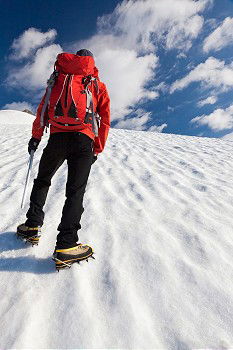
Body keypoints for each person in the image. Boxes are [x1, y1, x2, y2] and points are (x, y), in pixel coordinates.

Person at [17, 49, 110, 269]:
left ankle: (32, 225)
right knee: (75, 191)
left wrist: (36, 137)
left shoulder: (57, 78)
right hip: (83, 141)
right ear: (91, 60)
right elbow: (104, 118)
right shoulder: (96, 84)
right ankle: (67, 245)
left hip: (57, 138)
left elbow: (43, 110)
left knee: (43, 180)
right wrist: (97, 148)